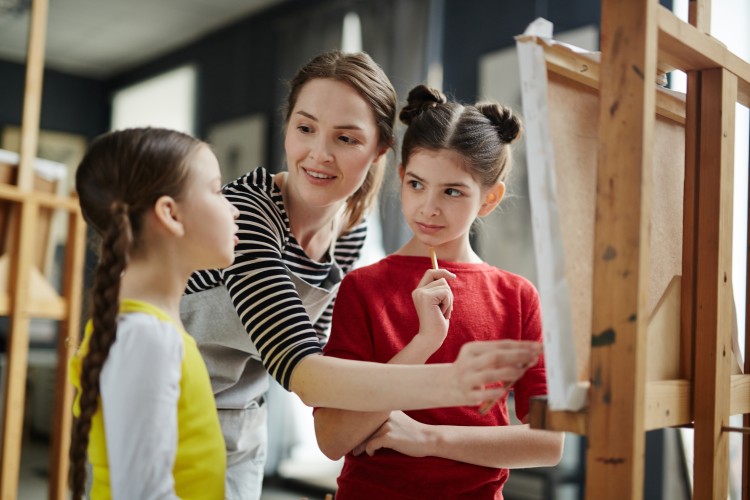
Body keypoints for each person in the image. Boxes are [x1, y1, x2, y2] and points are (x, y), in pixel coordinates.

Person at [179, 50, 542, 499]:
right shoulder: (247, 217)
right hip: (168, 403)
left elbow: (547, 439)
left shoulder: (350, 229)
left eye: (346, 138)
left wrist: (428, 432)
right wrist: (443, 365)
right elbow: (305, 374)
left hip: (240, 421)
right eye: (305, 128)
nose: (319, 153)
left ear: (379, 151)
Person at [313, 84, 565, 499]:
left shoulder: (517, 297)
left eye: (452, 191)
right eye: (416, 184)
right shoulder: (362, 288)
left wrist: (428, 438)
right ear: (400, 178)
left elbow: (549, 443)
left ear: (489, 198)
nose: (428, 207)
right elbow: (334, 438)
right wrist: (423, 343)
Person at [69, 127, 239, 499]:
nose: (233, 207)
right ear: (170, 214)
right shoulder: (146, 337)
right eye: (216, 190)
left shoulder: (149, 331)